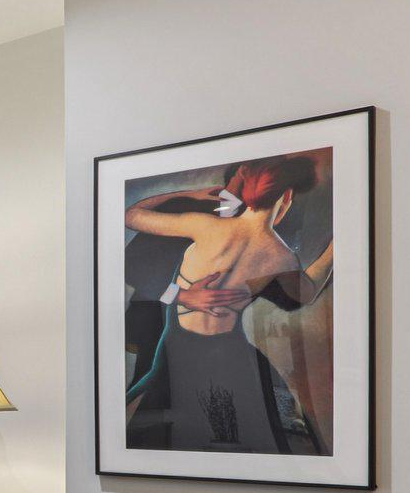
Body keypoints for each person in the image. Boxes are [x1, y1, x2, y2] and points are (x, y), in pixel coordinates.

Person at [122, 153, 334, 454]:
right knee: (239, 426)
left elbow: (131, 215)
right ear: (286, 198)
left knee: (180, 415)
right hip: (225, 346)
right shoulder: (282, 257)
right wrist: (334, 251)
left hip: (183, 340)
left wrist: (188, 193)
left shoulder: (205, 226)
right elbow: (307, 293)